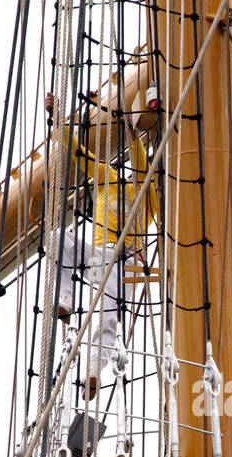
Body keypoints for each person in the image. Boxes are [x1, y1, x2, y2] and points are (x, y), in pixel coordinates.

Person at [56, 129, 158, 398]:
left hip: (127, 264)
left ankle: (93, 369)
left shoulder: (150, 197)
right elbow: (81, 155)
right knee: (58, 239)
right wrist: (59, 124)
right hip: (99, 256)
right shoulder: (108, 179)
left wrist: (134, 139)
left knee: (108, 317)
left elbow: (143, 169)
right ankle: (65, 297)